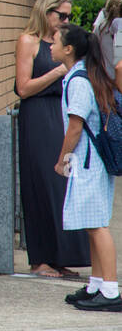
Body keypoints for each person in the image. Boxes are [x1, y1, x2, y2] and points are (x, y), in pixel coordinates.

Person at [15, 0, 90, 277]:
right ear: (46, 12)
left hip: (62, 113)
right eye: (61, 15)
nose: (65, 21)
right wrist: (56, 72)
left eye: (69, 16)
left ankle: (60, 256)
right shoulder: (28, 41)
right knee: (42, 183)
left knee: (63, 185)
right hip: (37, 116)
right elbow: (23, 88)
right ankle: (40, 259)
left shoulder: (64, 43)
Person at [53, 23, 121, 312]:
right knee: (93, 223)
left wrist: (62, 158)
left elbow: (75, 127)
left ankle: (110, 289)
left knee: (96, 226)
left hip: (88, 161)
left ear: (68, 49)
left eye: (55, 41)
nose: (51, 45)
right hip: (92, 161)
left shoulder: (78, 80)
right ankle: (97, 284)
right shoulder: (81, 75)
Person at [90, 0, 122, 87]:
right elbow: (119, 62)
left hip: (103, 79)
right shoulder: (119, 29)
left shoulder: (99, 28)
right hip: (118, 81)